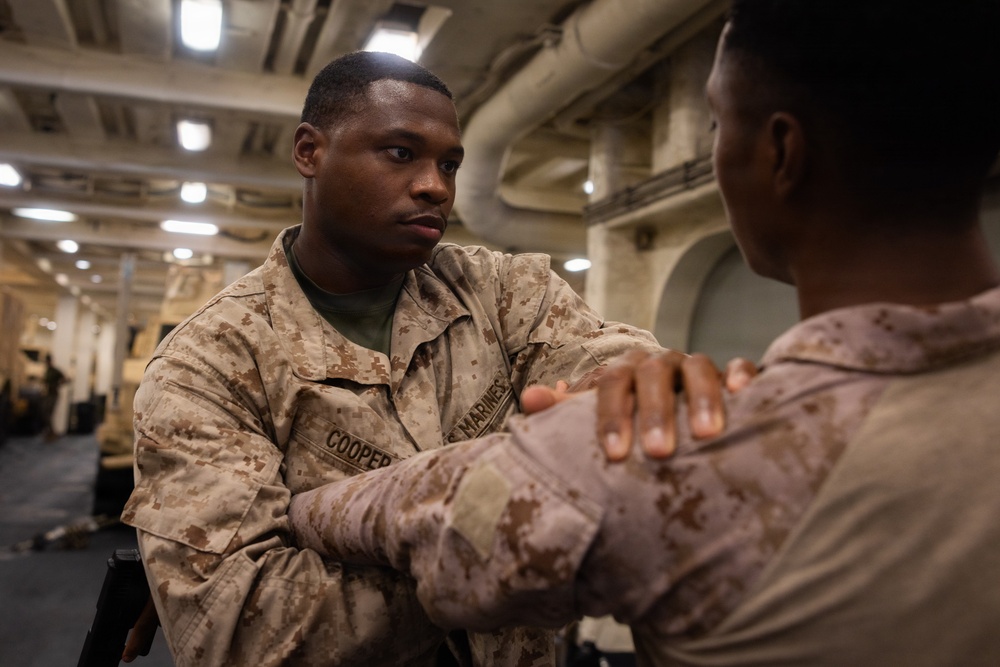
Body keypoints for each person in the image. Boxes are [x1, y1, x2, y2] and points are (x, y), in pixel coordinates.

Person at [287, 1, 1000, 665]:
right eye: (401, 155)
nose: (435, 186)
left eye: (719, 123)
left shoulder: (642, 462)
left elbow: (353, 513)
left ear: (783, 152)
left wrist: (566, 447)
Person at [120, 51, 734, 666]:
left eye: (450, 164)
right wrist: (504, 535)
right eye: (400, 153)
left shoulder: (499, 290)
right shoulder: (211, 361)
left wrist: (642, 395)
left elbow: (622, 380)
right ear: (310, 151)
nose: (434, 186)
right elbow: (244, 634)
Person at [41, 353, 66, 441]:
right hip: (48, 394)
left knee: (48, 413)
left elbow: (65, 379)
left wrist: (57, 384)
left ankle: (52, 433)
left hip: (54, 394)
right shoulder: (47, 371)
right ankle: (50, 432)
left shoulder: (55, 371)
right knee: (45, 412)